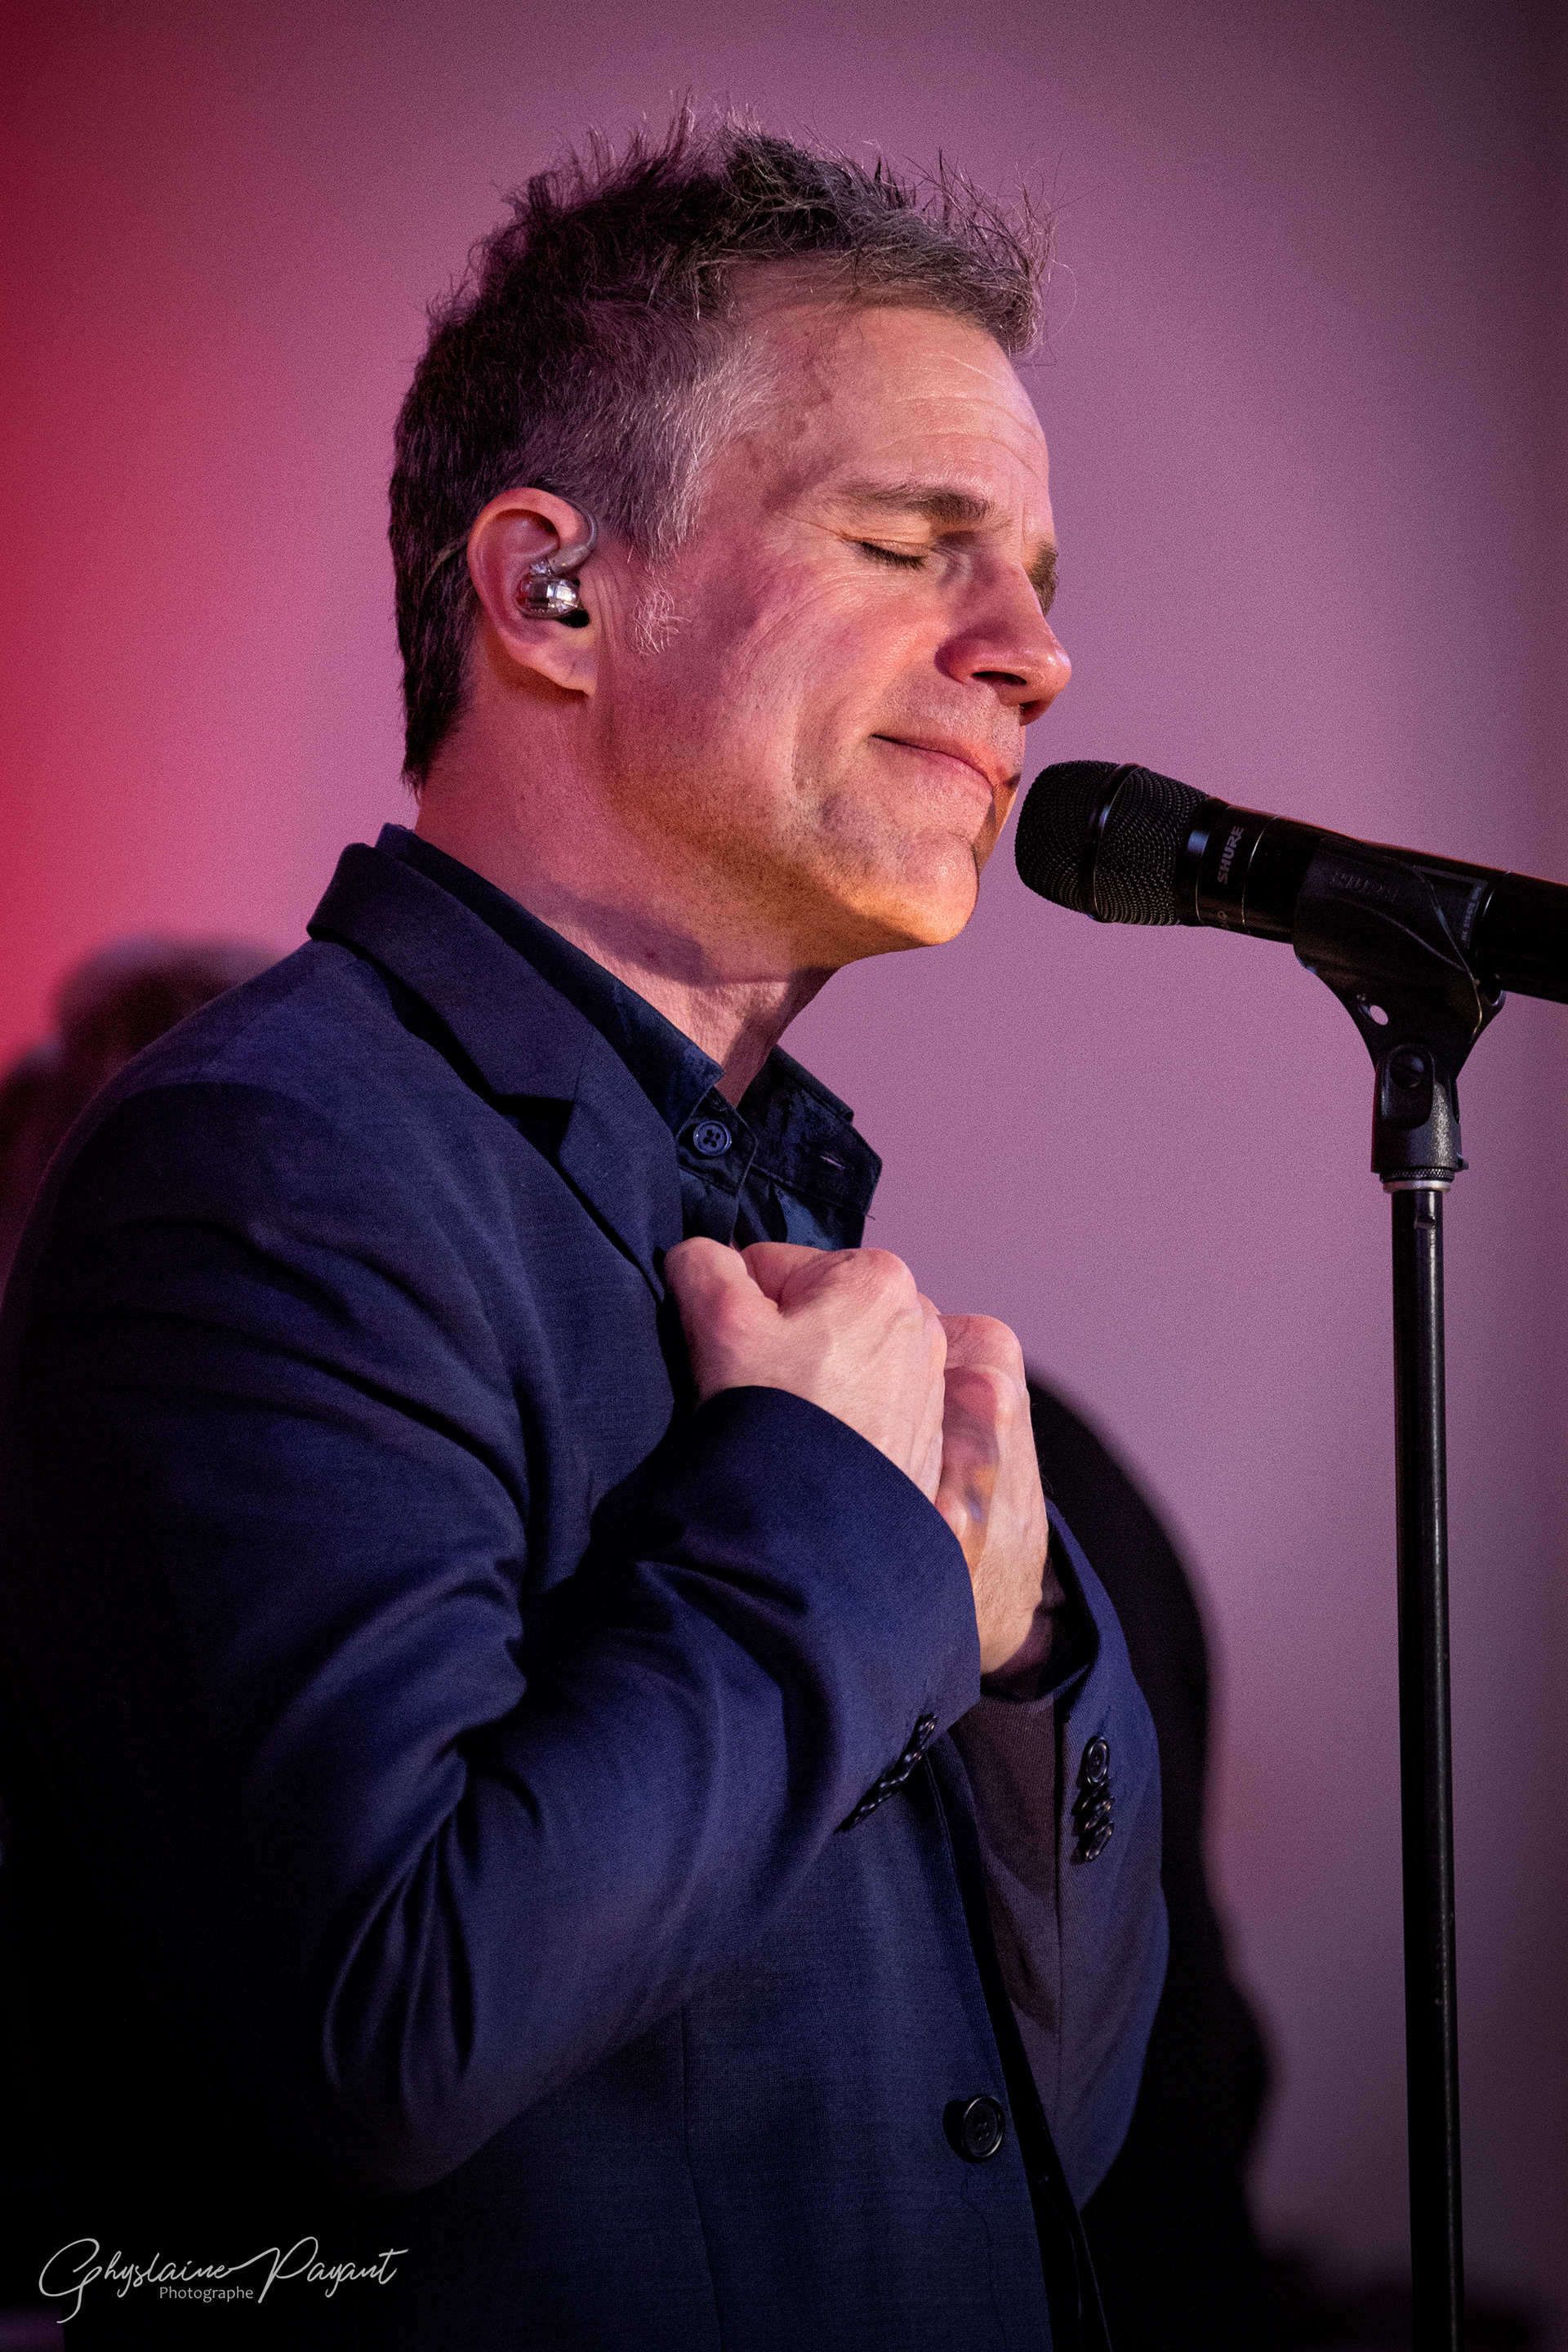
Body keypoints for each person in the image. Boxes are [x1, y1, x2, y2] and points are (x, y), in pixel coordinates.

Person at [0, 122, 1168, 2348]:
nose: (1035, 655)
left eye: (1030, 575)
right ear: (550, 593)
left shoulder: (789, 1227)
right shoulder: (271, 1170)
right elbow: (396, 2021)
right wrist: (818, 1524)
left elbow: (1036, 2136)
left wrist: (1012, 1659)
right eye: (910, 546)